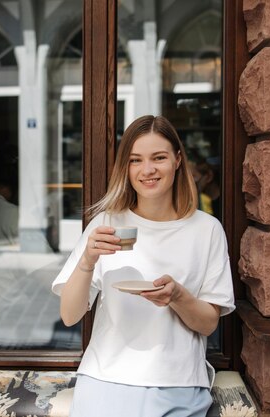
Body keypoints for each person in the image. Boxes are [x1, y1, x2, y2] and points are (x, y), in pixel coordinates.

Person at [51, 115, 235, 417]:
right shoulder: (106, 224)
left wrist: (177, 296)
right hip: (104, 378)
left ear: (177, 160)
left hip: (178, 383)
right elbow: (70, 316)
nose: (147, 170)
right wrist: (86, 261)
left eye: (158, 158)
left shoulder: (207, 229)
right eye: (135, 160)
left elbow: (208, 323)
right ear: (126, 168)